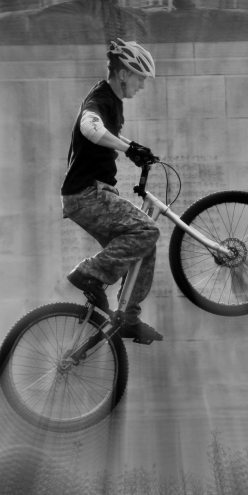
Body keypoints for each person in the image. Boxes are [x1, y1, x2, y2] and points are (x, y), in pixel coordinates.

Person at [61, 39, 163, 344]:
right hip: (86, 195)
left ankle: (128, 317)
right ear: (123, 74)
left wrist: (134, 147)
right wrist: (127, 148)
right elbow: (89, 126)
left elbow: (107, 133)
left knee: (144, 246)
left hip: (92, 194)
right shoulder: (101, 98)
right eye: (140, 78)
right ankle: (89, 273)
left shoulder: (112, 102)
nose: (142, 85)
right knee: (147, 230)